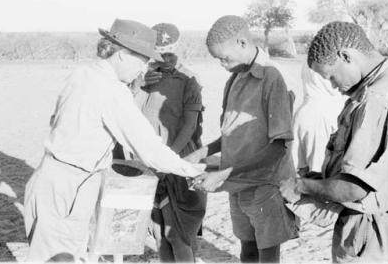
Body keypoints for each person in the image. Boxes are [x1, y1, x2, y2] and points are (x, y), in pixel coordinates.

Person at [23, 19, 205, 262]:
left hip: (56, 179)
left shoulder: (83, 73)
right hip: (70, 184)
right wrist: (191, 169)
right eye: (142, 61)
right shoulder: (112, 90)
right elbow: (149, 149)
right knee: (59, 257)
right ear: (122, 55)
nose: (142, 70)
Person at [279, 21, 388, 262]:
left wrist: (300, 186)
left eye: (332, 76)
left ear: (346, 56)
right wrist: (322, 180)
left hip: (374, 235)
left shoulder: (376, 100)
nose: (334, 86)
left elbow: (354, 189)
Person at [187, 15, 299, 263]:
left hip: (265, 185)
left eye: (224, 58)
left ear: (241, 42)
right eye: (218, 60)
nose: (222, 65)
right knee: (247, 249)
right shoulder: (234, 78)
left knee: (267, 253)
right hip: (237, 183)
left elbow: (278, 148)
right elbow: (230, 134)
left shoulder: (272, 78)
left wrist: (223, 174)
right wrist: (201, 152)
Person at [131, 23, 207, 262]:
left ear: (178, 47)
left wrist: (166, 161)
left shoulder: (189, 79)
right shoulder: (141, 76)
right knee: (159, 235)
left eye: (170, 50)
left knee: (179, 236)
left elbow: (189, 126)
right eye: (159, 51)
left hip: (178, 161)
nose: (165, 57)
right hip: (147, 163)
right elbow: (128, 115)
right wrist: (139, 84)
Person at [291, 64, 346, 177]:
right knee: (320, 172)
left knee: (302, 170)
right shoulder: (330, 59)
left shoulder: (311, 58)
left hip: (305, 112)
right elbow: (335, 88)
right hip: (323, 115)